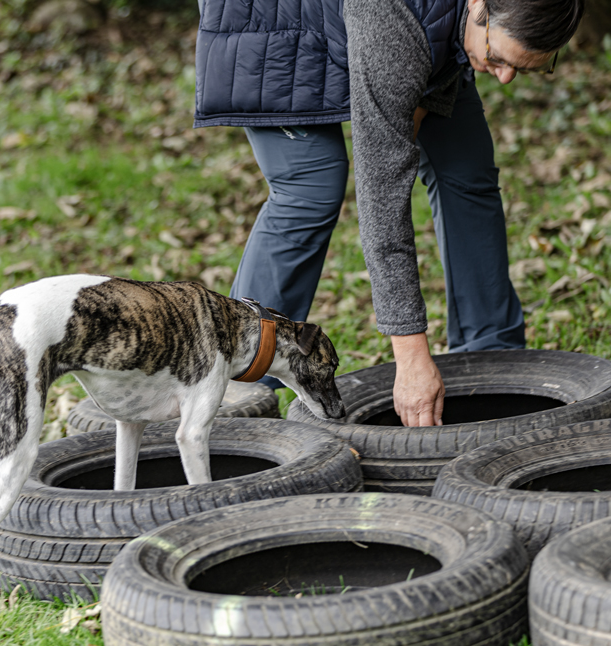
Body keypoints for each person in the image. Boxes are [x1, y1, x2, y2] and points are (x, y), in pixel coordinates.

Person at [194, 0, 584, 427]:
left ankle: (493, 352)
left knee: (465, 169)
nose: (505, 78)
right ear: (479, 5)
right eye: (497, 58)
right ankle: (240, 379)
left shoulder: (472, 25)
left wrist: (424, 95)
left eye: (524, 69)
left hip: (404, 26)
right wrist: (411, 355)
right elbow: (383, 196)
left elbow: (438, 48)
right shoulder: (391, 26)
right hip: (276, 21)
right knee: (311, 188)